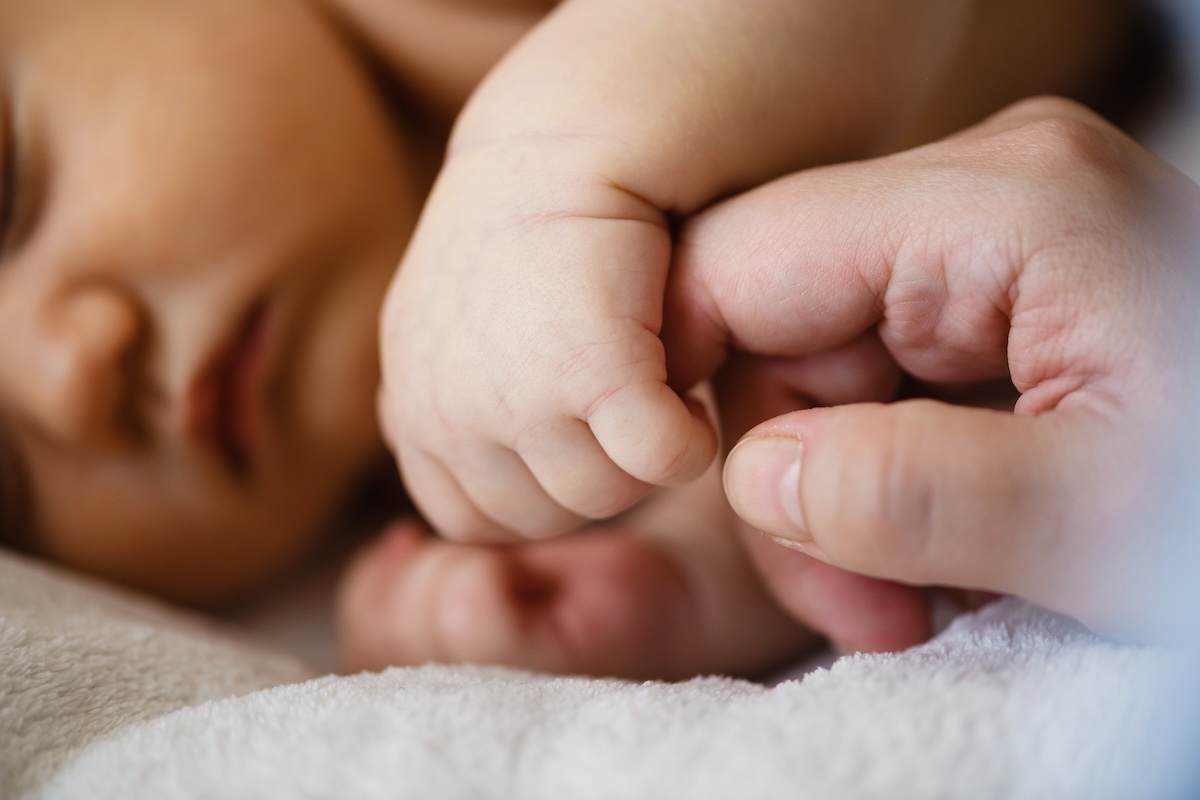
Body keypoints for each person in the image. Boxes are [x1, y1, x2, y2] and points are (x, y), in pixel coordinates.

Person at [0, 0, 1148, 681]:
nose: (69, 378)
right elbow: (818, 424)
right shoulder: (441, 470)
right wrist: (678, 573)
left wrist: (542, 154)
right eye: (4, 482)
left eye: (9, 190)